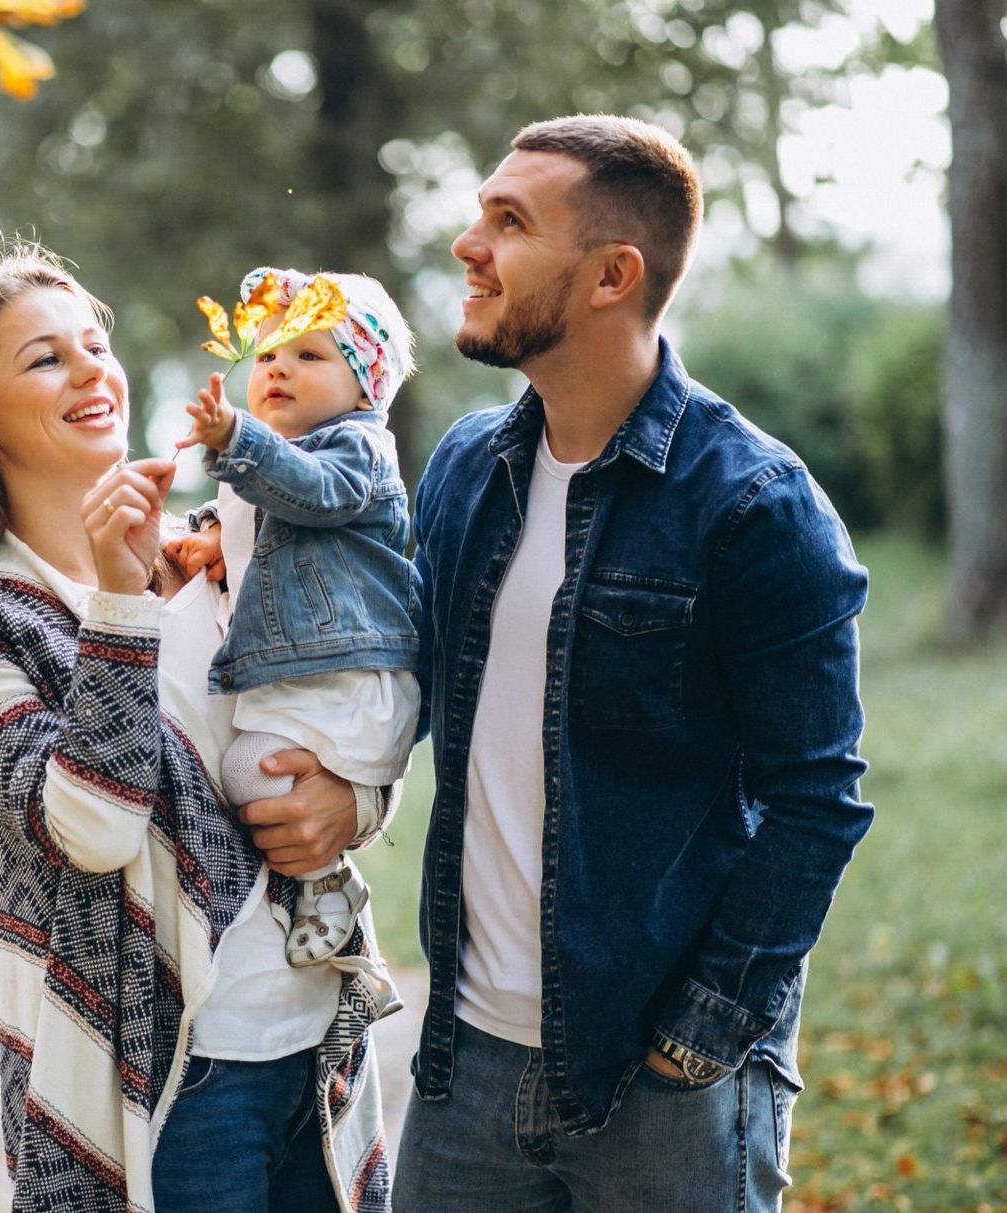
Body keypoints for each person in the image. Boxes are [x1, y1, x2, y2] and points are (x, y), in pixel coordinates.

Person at [393, 115, 872, 1211]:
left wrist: (697, 1038)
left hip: (658, 1093)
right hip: (460, 1069)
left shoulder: (752, 505)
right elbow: (401, 692)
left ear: (612, 275)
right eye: (477, 213)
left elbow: (815, 800)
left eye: (506, 222)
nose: (467, 245)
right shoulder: (467, 466)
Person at [0, 245, 400, 1213]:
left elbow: (352, 678)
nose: (90, 371)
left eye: (94, 344)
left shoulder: (221, 542)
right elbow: (90, 828)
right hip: (160, 1084)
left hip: (313, 1049)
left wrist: (357, 795)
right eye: (44, 359)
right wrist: (121, 609)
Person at [165, 266, 419, 973]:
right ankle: (320, 885)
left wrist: (237, 437)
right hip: (301, 672)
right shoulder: (267, 467)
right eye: (268, 354)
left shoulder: (356, 448)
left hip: (344, 671)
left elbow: (316, 496)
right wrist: (218, 539)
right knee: (250, 769)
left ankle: (326, 880)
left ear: (365, 384)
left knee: (254, 769)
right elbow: (268, 525)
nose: (278, 368)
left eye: (309, 355)